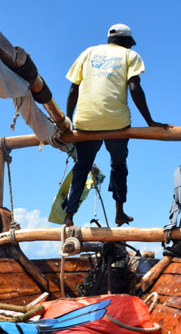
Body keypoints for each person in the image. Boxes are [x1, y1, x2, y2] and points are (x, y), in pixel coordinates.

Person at [62, 23, 172, 227]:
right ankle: (119, 213)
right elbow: (134, 87)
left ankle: (69, 216)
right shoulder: (130, 56)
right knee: (118, 165)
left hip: (85, 121)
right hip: (117, 123)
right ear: (126, 42)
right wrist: (150, 122)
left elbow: (73, 89)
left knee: (82, 167)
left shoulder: (88, 53)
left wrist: (66, 121)